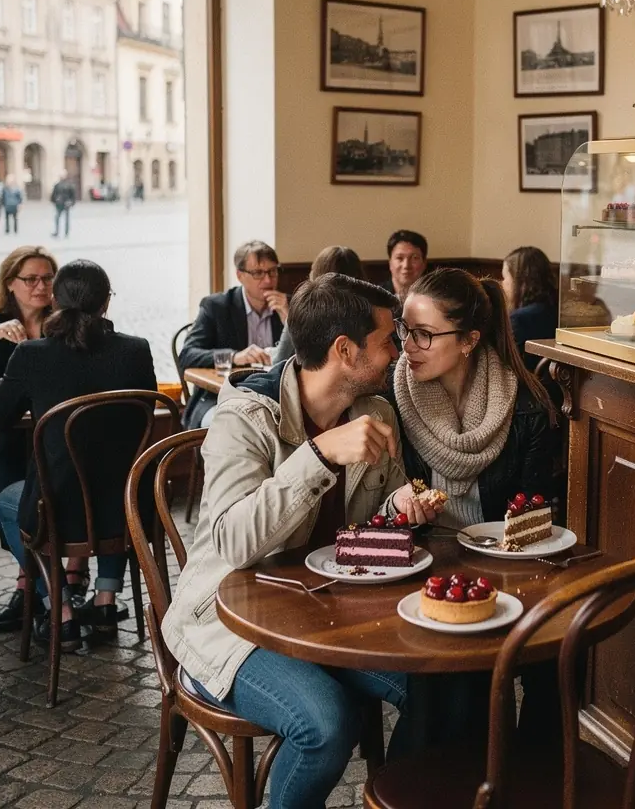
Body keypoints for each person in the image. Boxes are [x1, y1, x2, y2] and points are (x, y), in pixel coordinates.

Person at [163, 274, 435, 809]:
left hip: (328, 612)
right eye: (388, 341)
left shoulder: (374, 413)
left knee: (443, 682)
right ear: (344, 350)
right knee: (326, 724)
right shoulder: (245, 416)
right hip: (230, 622)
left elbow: (364, 529)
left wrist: (399, 511)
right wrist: (320, 456)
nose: (398, 352)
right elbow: (234, 541)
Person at [389, 267, 557, 744]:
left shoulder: (524, 405)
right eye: (405, 330)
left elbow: (538, 515)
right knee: (460, 689)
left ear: (468, 340)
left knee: (552, 664)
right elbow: (377, 506)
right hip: (415, 572)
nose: (407, 346)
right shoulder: (390, 395)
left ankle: (523, 778)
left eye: (424, 335)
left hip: (499, 575)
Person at [0, 260, 156, 652]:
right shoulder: (135, 350)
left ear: (56, 302)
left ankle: (60, 611)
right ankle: (106, 602)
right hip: (126, 504)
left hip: (56, 506)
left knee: (9, 500)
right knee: (114, 481)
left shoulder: (32, 354)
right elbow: (143, 412)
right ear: (105, 303)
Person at [0, 246, 60, 634]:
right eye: (31, 279)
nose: (41, 286)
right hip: (0, 430)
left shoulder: (64, 322)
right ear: (11, 283)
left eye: (48, 278)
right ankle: (36, 571)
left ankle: (40, 589)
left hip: (51, 435)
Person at [179, 240, 287, 429]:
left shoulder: (289, 306)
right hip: (220, 398)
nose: (268, 280)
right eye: (258, 273)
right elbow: (187, 354)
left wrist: (290, 322)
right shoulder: (217, 306)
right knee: (233, 428)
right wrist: (235, 356)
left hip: (276, 398)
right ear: (240, 275)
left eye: (272, 271)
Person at [272, 246, 365, 364]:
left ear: (316, 275)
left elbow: (279, 360)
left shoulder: (303, 313)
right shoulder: (372, 313)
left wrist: (268, 352)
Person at [501, 246, 558, 376]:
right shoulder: (559, 310)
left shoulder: (519, 320)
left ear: (519, 281)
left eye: (505, 277)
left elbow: (509, 370)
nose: (503, 283)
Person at [384, 229, 427, 300]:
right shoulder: (373, 296)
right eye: (399, 258)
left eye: (414, 258)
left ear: (424, 263)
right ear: (390, 262)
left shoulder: (436, 297)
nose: (406, 265)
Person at [50, 173, 76, 239]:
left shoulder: (69, 185)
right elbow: (53, 194)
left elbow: (73, 195)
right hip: (59, 204)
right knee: (57, 218)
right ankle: (57, 232)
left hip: (66, 204)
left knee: (66, 219)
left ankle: (66, 233)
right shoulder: (57, 185)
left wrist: (71, 203)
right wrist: (54, 201)